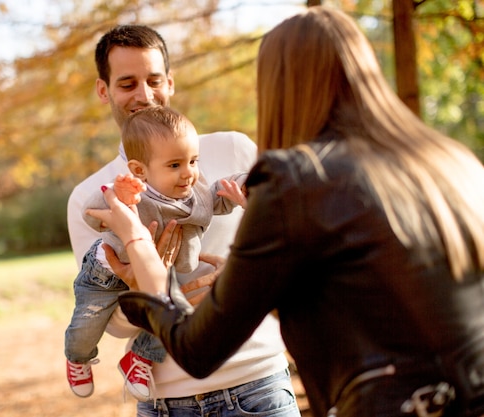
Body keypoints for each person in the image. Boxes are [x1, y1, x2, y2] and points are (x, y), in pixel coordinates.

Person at [88, 7, 484, 417]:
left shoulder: (293, 177)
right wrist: (257, 282)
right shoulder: (450, 161)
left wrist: (138, 257)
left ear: (279, 85)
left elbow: (198, 350)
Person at [66, 24, 301, 417]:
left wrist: (243, 277)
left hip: (259, 385)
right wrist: (141, 284)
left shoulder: (233, 151)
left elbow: (298, 249)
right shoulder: (91, 198)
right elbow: (112, 322)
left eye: (154, 80)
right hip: (164, 402)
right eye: (127, 83)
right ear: (103, 90)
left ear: (170, 83)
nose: (144, 95)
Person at [64, 106, 247, 401]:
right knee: (87, 325)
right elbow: (92, 213)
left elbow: (219, 197)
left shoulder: (196, 193)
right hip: (104, 275)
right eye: (174, 165)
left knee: (172, 315)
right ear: (139, 170)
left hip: (157, 273)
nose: (188, 172)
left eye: (193, 161)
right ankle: (77, 357)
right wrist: (119, 198)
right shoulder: (133, 190)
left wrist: (241, 186)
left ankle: (138, 360)